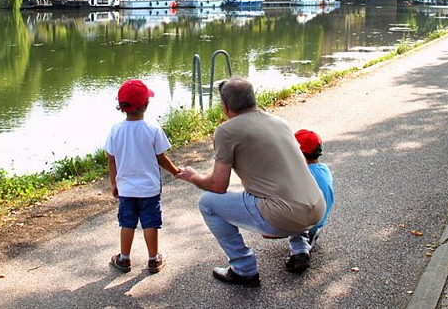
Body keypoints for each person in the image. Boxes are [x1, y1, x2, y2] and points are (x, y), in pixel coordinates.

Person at [177, 77, 325, 286]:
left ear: (225, 107)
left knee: (207, 203)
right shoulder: (279, 122)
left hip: (283, 217)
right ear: (253, 99)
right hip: (317, 208)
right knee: (286, 187)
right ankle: (300, 249)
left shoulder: (227, 131)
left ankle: (243, 268)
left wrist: (193, 177)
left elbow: (218, 186)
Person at [104, 79, 179, 274]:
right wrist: (175, 171)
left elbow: (111, 160)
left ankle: (124, 259)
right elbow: (161, 157)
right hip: (149, 189)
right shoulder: (153, 129)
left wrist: (114, 183)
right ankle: (153, 259)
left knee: (126, 223)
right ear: (146, 105)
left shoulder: (115, 130)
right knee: (150, 223)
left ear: (121, 106)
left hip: (126, 189)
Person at [285, 129, 335, 273]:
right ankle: (310, 237)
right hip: (321, 218)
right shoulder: (324, 169)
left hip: (306, 221)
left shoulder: (302, 174)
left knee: (292, 218)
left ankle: (300, 251)